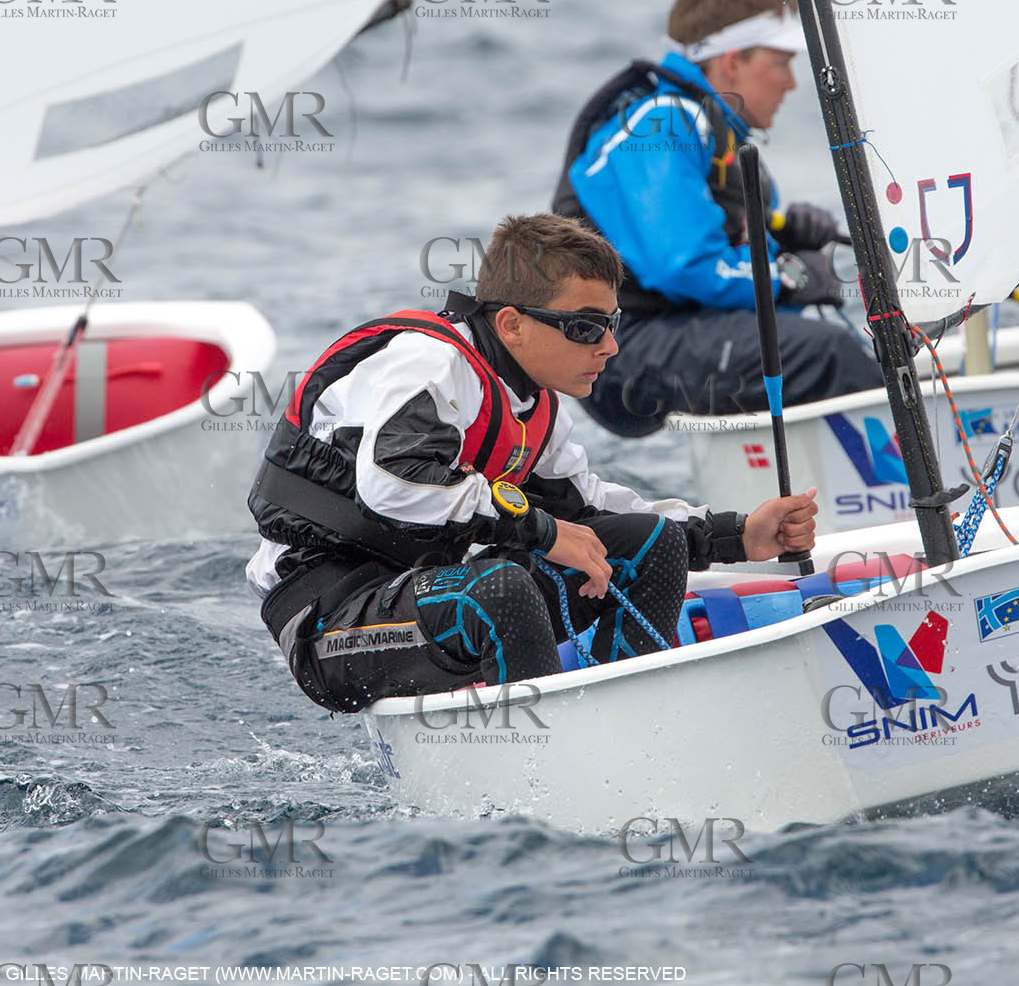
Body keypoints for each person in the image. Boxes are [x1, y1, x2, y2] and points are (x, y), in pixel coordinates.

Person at [245, 213, 818, 712]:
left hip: (418, 593)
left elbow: (591, 506)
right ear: (512, 324)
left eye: (612, 325)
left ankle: (635, 721)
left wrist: (736, 535)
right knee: (503, 589)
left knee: (648, 543)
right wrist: (540, 531)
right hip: (328, 616)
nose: (609, 347)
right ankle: (546, 767)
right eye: (585, 327)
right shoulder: (428, 364)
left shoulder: (532, 405)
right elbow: (392, 485)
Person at [551, 0, 880, 438]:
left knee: (824, 346)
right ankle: (905, 489)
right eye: (781, 63)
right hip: (619, 349)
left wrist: (785, 246)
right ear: (732, 63)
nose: (791, 83)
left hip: (664, 332)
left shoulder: (707, 128)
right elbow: (683, 264)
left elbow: (722, 254)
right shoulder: (660, 122)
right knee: (828, 354)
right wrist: (787, 279)